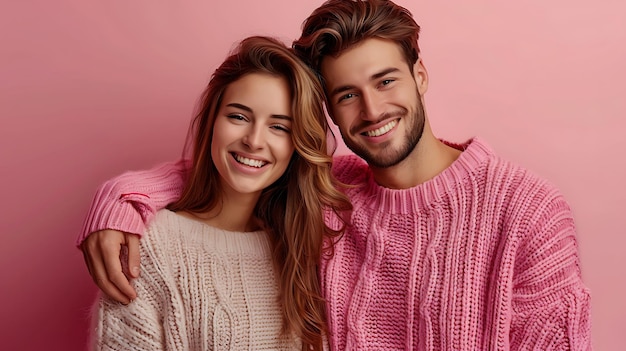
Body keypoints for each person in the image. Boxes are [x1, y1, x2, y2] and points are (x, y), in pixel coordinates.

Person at [79, 0, 592, 349]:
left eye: (385, 80)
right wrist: (123, 196)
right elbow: (248, 165)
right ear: (327, 111)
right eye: (346, 94)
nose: (371, 110)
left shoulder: (528, 211)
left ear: (420, 75)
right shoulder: (331, 190)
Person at [88, 35, 351, 351]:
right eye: (238, 116)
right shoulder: (147, 248)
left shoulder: (303, 246)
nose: (254, 140)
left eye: (279, 127)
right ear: (212, 121)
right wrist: (118, 195)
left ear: (298, 145)